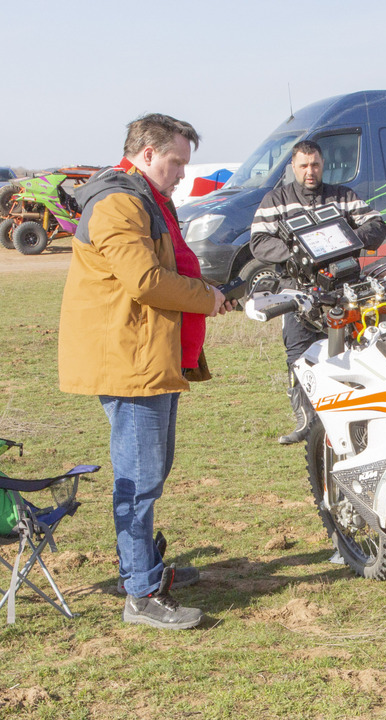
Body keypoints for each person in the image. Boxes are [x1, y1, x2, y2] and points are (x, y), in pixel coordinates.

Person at [58, 113, 236, 630]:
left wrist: (208, 295)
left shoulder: (145, 198)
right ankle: (140, 592)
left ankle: (142, 569)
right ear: (148, 153)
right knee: (139, 478)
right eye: (176, 162)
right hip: (130, 359)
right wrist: (207, 297)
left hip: (148, 354)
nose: (182, 173)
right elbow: (147, 280)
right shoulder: (119, 202)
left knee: (150, 471)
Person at [249, 140, 386, 444]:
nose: (309, 171)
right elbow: (258, 241)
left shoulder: (343, 196)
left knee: (352, 352)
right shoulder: (276, 199)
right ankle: (307, 423)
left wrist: (343, 239)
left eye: (315, 165)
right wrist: (298, 253)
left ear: (323, 165)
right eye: (303, 166)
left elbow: (377, 225)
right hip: (296, 291)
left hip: (342, 290)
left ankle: (355, 419)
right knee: (298, 354)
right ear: (293, 167)